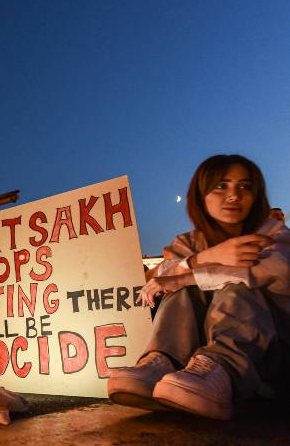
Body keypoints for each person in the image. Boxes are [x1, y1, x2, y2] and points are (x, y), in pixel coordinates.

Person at [107, 154, 290, 420]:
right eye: (221, 186)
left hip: (269, 355)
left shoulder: (272, 233)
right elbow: (157, 278)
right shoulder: (189, 241)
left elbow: (273, 270)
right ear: (201, 195)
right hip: (191, 360)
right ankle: (163, 362)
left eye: (244, 186)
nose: (233, 196)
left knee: (237, 284)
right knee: (178, 289)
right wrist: (202, 258)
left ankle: (222, 368)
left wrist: (187, 276)